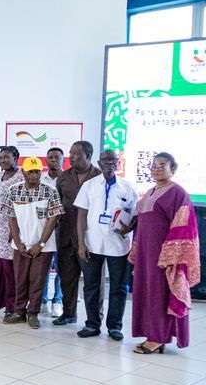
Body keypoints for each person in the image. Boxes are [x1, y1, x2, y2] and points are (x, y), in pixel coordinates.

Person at [130, 153, 200, 353]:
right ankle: (151, 333)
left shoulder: (178, 193)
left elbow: (184, 226)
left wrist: (170, 255)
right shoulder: (151, 191)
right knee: (147, 292)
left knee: (160, 293)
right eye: (153, 165)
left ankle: (159, 337)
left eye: (162, 165)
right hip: (146, 253)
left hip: (164, 255)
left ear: (173, 168)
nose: (156, 169)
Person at [74, 149, 138, 341]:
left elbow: (135, 216)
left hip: (119, 245)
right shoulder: (89, 185)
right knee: (91, 285)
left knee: (119, 286)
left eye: (113, 160)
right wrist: (81, 244)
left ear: (118, 163)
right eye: (105, 160)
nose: (109, 163)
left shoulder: (128, 188)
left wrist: (128, 229)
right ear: (99, 163)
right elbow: (81, 216)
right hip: (92, 243)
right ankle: (92, 324)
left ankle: (115, 327)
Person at [2, 157, 64, 329]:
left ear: (41, 172)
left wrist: (41, 244)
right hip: (20, 245)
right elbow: (11, 218)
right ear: (23, 172)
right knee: (20, 279)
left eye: (37, 171)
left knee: (37, 281)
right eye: (30, 171)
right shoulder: (13, 191)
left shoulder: (50, 191)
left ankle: (33, 313)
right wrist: (18, 242)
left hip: (43, 247)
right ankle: (19, 311)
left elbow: (53, 219)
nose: (33, 175)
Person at [54, 140, 101, 326]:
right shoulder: (63, 177)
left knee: (92, 281)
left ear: (88, 156)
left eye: (76, 154)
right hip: (65, 234)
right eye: (70, 153)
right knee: (67, 278)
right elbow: (56, 205)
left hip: (90, 237)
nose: (71, 157)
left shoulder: (98, 177)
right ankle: (68, 313)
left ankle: (94, 319)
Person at [0, 146, 24, 315]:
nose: (3, 161)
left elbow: (23, 207)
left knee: (10, 270)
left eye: (7, 157)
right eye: (1, 158)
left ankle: (12, 305)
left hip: (11, 229)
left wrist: (15, 232)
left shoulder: (21, 178)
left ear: (16, 158)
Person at [42, 146, 65, 317]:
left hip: (63, 229)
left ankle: (57, 300)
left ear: (63, 159)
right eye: (50, 157)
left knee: (61, 268)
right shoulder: (40, 179)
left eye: (57, 157)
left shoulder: (68, 179)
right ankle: (42, 300)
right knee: (42, 266)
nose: (54, 160)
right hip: (43, 229)